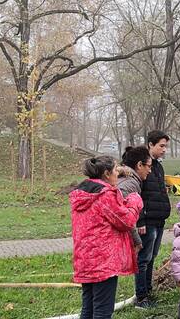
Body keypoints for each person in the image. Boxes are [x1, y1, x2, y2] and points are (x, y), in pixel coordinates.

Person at [70, 156, 143, 319]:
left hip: (85, 258)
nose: (118, 173)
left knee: (88, 308)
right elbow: (126, 221)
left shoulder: (83, 193)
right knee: (103, 310)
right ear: (106, 174)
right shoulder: (106, 195)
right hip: (103, 261)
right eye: (116, 170)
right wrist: (134, 201)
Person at [135, 130, 171, 308]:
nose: (164, 149)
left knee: (152, 257)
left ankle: (148, 291)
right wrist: (140, 220)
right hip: (147, 222)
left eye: (166, 146)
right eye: (161, 146)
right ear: (150, 145)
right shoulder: (141, 166)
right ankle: (141, 298)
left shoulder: (158, 165)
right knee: (143, 259)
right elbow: (136, 195)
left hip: (159, 220)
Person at [117, 146, 153, 252]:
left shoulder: (127, 180)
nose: (150, 171)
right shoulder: (130, 184)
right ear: (139, 165)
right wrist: (137, 241)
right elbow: (124, 216)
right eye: (149, 166)